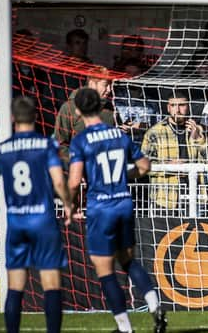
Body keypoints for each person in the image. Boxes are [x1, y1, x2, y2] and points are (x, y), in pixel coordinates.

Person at [67, 88, 166, 333]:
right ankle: (155, 306)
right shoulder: (119, 135)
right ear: (101, 107)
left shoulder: (81, 140)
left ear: (78, 111)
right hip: (123, 203)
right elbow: (145, 166)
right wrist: (125, 175)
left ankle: (124, 328)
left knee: (105, 270)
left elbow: (73, 181)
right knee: (128, 260)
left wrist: (72, 205)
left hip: (101, 208)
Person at [0, 96, 73, 333]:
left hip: (17, 222)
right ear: (36, 116)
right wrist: (68, 205)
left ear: (13, 118)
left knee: (15, 287)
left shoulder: (1, 149)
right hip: (43, 221)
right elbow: (58, 181)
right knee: (51, 284)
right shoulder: (46, 145)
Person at [142, 90, 208, 212]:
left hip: (195, 197)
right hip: (165, 199)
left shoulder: (196, 129)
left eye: (182, 105)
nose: (177, 110)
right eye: (173, 105)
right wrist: (167, 166)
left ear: (188, 107)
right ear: (167, 108)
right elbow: (142, 166)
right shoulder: (155, 132)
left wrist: (198, 139)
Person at [54, 67, 115, 164]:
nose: (109, 90)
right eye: (106, 85)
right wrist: (76, 166)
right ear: (91, 84)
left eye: (111, 86)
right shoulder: (69, 108)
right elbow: (60, 144)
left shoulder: (110, 109)